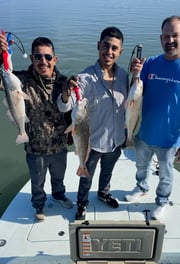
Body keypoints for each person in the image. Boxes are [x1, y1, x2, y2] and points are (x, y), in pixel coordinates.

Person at [0, 34, 73, 221]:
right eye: (38, 56)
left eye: (48, 57)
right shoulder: (19, 79)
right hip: (35, 146)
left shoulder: (64, 82)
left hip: (59, 146)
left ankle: (58, 195)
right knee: (37, 182)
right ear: (31, 58)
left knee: (59, 177)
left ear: (55, 60)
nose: (43, 61)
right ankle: (38, 205)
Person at [125, 15, 180, 220]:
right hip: (144, 133)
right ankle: (141, 187)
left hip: (170, 139)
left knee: (165, 174)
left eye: (175, 36)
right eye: (166, 36)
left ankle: (161, 201)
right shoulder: (150, 64)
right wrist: (134, 72)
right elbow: (134, 92)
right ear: (161, 38)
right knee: (141, 166)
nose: (170, 40)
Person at [58, 26, 128, 220]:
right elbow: (65, 106)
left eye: (114, 48)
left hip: (116, 140)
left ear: (120, 52)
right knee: (86, 174)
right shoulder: (84, 78)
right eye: (106, 46)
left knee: (108, 171)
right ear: (98, 46)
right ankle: (82, 203)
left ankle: (104, 193)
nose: (109, 52)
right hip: (92, 142)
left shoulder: (123, 75)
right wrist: (66, 93)